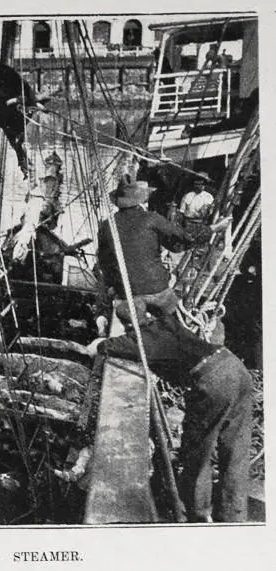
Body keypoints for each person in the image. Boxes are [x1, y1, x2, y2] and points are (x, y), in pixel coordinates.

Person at [85, 313, 252, 522]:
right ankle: (233, 517)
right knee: (236, 451)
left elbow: (117, 346)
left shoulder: (149, 339)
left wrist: (100, 344)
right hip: (233, 366)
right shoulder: (168, 322)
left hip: (212, 381)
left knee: (196, 453)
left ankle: (197, 516)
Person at [96, 175, 229, 325]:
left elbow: (104, 262)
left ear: (118, 202)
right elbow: (183, 239)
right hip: (157, 290)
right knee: (174, 321)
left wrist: (113, 286)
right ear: (142, 201)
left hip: (127, 292)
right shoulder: (152, 218)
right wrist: (214, 228)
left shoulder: (107, 225)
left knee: (135, 325)